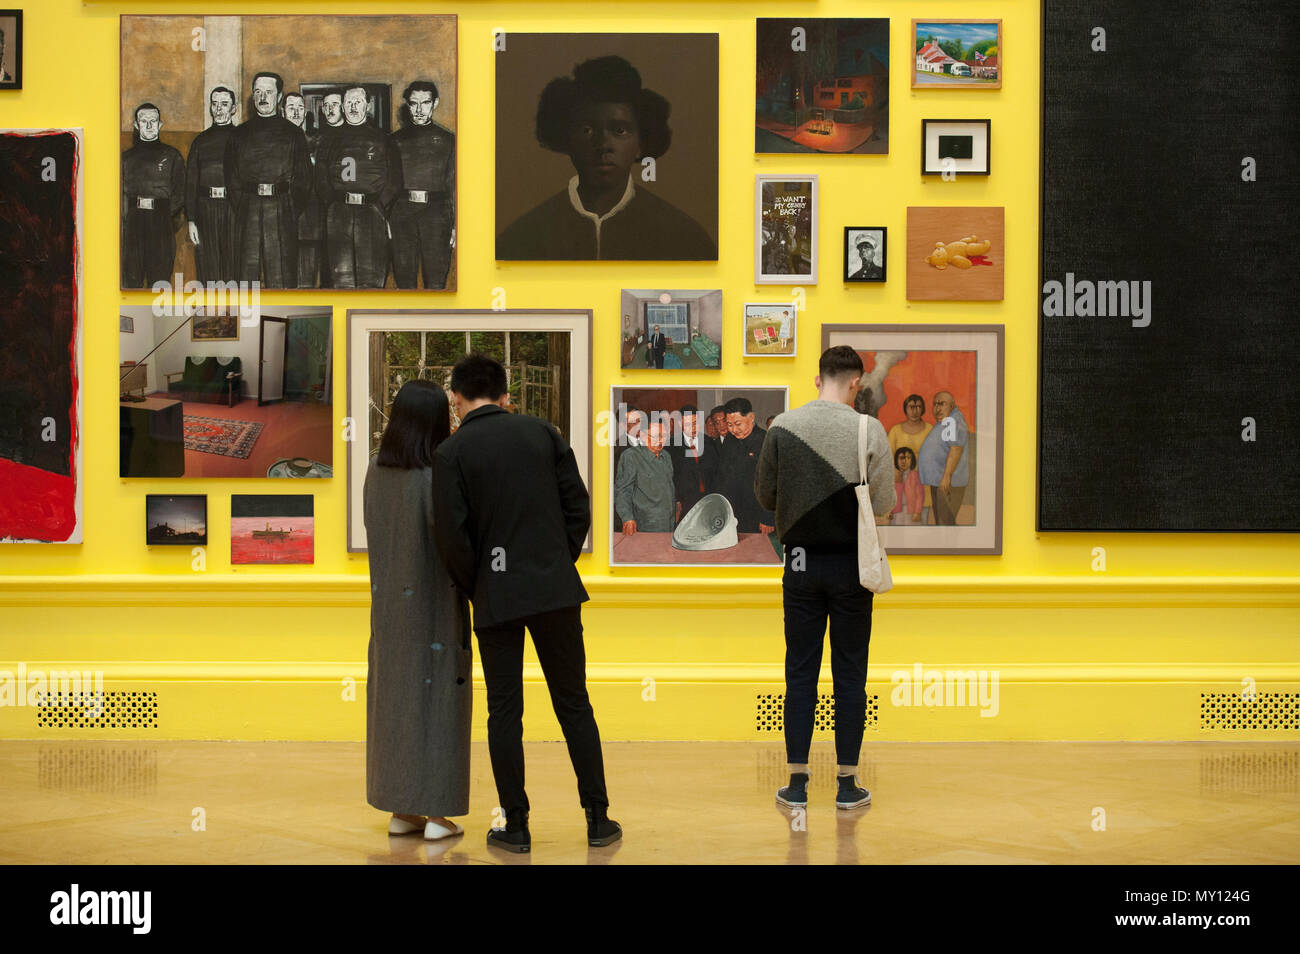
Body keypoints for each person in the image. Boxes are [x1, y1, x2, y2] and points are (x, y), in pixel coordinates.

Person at [432, 354, 620, 852]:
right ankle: (598, 819)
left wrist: (479, 585)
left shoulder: (451, 454)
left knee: (504, 713)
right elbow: (576, 507)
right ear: (505, 395)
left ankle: (515, 825)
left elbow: (451, 539)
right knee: (574, 703)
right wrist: (558, 561)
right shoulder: (544, 434)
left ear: (456, 398)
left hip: (496, 596)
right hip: (555, 590)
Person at [754, 346, 895, 811]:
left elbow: (764, 496)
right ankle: (847, 785)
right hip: (852, 567)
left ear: (818, 379)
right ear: (856, 382)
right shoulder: (868, 428)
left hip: (798, 565)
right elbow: (883, 504)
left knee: (800, 671)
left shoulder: (783, 427)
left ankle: (796, 785)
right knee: (850, 673)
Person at [363, 380, 470, 842]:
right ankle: (437, 811)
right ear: (432, 421)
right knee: (439, 701)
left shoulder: (375, 470)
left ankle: (402, 807)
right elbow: (452, 542)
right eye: (446, 412)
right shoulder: (437, 475)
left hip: (388, 607)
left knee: (395, 701)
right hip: (435, 603)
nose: (452, 418)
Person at [496, 55, 716, 261]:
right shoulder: (523, 237)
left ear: (641, 143)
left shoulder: (684, 237)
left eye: (620, 131)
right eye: (587, 130)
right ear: (567, 139)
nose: (603, 146)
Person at [224, 72, 312, 287]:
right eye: (258, 92)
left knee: (281, 276)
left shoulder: (293, 133)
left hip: (281, 208)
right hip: (248, 209)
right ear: (253, 96)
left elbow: (304, 178)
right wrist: (244, 205)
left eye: (269, 92)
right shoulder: (239, 134)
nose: (263, 97)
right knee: (246, 276)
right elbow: (231, 176)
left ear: (279, 96)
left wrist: (289, 208)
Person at [318, 86, 400, 288]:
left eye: (358, 102)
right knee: (341, 277)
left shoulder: (384, 139)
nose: (353, 107)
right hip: (339, 213)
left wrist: (379, 206)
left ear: (368, 106)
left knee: (371, 277)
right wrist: (333, 204)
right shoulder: (329, 139)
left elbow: (395, 180)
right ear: (343, 108)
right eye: (348, 103)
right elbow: (321, 177)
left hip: (371, 213)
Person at [389, 80, 455, 289]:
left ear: (434, 103)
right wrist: (385, 220)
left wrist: (456, 224)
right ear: (408, 105)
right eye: (413, 103)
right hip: (402, 215)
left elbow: (455, 184)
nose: (419, 110)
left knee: (436, 282)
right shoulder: (394, 140)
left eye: (425, 103)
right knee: (404, 280)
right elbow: (387, 184)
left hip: (437, 215)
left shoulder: (449, 140)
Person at [121, 103, 186, 288]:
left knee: (159, 282)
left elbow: (180, 192)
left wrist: (164, 215)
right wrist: (127, 217)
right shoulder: (126, 158)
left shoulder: (172, 155)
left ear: (160, 125)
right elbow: (119, 195)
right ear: (136, 125)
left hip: (161, 223)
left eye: (153, 121)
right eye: (144, 121)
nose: (149, 126)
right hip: (133, 224)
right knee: (131, 280)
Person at [185, 87, 238, 283]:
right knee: (208, 269)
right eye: (214, 104)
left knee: (233, 269)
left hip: (233, 209)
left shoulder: (241, 138)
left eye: (224, 104)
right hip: (205, 210)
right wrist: (191, 220)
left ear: (233, 109)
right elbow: (190, 182)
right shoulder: (200, 141)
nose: (218, 109)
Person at [717, 397, 774, 535]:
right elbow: (723, 475)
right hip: (732, 514)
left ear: (751, 417)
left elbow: (774, 482)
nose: (734, 430)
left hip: (757, 515)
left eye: (738, 423)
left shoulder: (766, 440)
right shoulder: (730, 440)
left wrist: (768, 517)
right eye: (729, 425)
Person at [614, 416, 675, 534]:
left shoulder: (666, 456)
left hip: (668, 525)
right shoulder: (631, 456)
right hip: (645, 527)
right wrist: (627, 517)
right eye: (656, 436)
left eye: (664, 436)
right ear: (642, 435)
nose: (661, 441)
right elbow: (623, 491)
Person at [918, 390, 970, 526]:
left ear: (952, 406)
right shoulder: (947, 421)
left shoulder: (953, 421)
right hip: (939, 481)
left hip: (947, 483)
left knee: (945, 523)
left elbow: (956, 449)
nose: (937, 408)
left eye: (942, 404)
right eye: (935, 404)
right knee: (941, 522)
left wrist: (946, 476)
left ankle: (949, 547)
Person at [888, 393, 934, 524]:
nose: (915, 411)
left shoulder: (930, 429)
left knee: (920, 523)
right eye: (911, 407)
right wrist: (896, 473)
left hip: (922, 484)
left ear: (923, 409)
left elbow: (933, 457)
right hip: (900, 483)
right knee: (898, 522)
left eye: (919, 407)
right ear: (905, 409)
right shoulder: (895, 431)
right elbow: (888, 457)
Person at [668, 404, 712, 524]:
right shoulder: (671, 446)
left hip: (708, 500)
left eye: (695, 423)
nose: (693, 427)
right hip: (684, 503)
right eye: (687, 424)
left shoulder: (709, 443)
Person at [890, 446, 924, 525]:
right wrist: (890, 511)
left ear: (912, 461)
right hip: (897, 512)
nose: (904, 461)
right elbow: (891, 496)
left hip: (911, 512)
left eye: (908, 458)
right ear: (896, 460)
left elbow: (920, 495)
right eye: (901, 458)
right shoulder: (894, 476)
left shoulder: (915, 475)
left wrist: (917, 512)